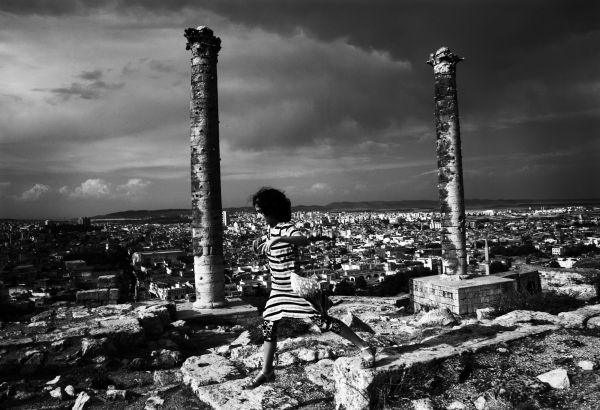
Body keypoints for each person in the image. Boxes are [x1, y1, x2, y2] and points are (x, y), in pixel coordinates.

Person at [245, 187, 376, 389]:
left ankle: (365, 347)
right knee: (269, 325)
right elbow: (271, 250)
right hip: (278, 288)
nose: (259, 216)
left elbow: (303, 239)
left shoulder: (285, 228)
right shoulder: (269, 231)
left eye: (261, 212)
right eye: (258, 212)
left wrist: (280, 239)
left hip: (293, 287)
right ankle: (267, 370)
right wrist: (260, 244)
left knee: (323, 321)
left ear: (272, 210)